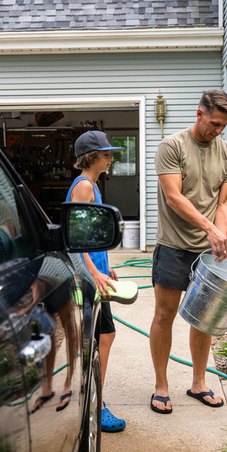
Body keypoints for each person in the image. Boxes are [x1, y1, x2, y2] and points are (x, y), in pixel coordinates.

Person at [150, 90, 227, 414]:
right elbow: (174, 197)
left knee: (204, 320)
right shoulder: (171, 146)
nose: (218, 131)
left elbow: (225, 201)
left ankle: (198, 382)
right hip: (173, 246)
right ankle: (161, 385)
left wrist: (221, 234)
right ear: (199, 113)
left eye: (223, 126)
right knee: (164, 316)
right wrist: (210, 229)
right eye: (214, 123)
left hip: (207, 250)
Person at [65, 130, 126, 432]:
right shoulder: (84, 187)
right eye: (107, 154)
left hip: (96, 274)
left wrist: (107, 266)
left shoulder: (90, 185)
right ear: (93, 157)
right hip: (89, 279)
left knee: (104, 336)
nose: (111, 158)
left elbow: (93, 234)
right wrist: (93, 272)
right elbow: (76, 237)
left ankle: (92, 396)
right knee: (99, 339)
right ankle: (94, 402)